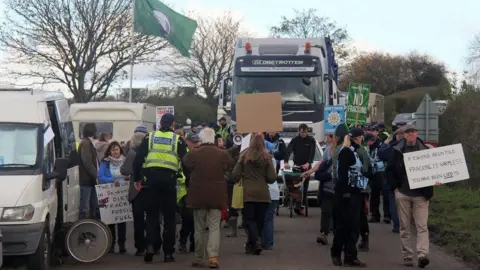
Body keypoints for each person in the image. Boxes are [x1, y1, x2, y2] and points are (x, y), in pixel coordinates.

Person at [133, 113, 190, 263]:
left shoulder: (149, 137)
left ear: (160, 123)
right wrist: (189, 182)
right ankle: (168, 253)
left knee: (151, 216)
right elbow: (186, 163)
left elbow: (138, 159)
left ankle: (151, 246)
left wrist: (137, 178)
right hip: (169, 183)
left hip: (150, 182)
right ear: (173, 125)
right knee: (169, 219)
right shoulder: (178, 140)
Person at [183, 127, 233, 268]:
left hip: (198, 195)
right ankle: (212, 258)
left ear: (201, 139)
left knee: (199, 228)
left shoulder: (194, 153)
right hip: (216, 195)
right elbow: (230, 165)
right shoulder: (222, 153)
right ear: (214, 139)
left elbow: (185, 163)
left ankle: (199, 258)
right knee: (214, 228)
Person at [387, 124, 435, 268]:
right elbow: (389, 170)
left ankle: (422, 255)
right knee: (404, 226)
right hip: (403, 193)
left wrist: (436, 179)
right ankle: (407, 256)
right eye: (408, 133)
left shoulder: (426, 150)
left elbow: (434, 168)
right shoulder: (397, 150)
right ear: (404, 135)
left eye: (413, 132)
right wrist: (395, 188)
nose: (411, 135)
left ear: (417, 133)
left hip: (421, 194)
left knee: (422, 226)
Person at [232, 134, 277, 255]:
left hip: (248, 193)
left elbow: (235, 175)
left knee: (249, 220)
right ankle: (253, 244)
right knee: (259, 221)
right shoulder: (267, 157)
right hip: (263, 194)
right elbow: (272, 178)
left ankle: (254, 242)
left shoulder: (244, 156)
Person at [330, 126, 368, 267]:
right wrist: (344, 192)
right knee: (343, 227)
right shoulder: (346, 152)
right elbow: (343, 173)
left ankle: (350, 256)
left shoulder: (356, 152)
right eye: (361, 137)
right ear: (357, 138)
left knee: (354, 227)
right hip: (345, 195)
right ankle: (336, 253)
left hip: (356, 193)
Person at [120, 131, 154, 256]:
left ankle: (140, 247)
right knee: (152, 218)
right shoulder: (151, 152)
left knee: (138, 219)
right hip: (150, 187)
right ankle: (152, 243)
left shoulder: (132, 152)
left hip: (136, 189)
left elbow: (125, 170)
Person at [303, 134, 336, 245]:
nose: (326, 139)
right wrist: (309, 172)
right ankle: (324, 233)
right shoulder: (327, 150)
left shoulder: (346, 151)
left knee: (338, 213)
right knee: (326, 211)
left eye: (329, 137)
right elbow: (321, 163)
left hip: (340, 189)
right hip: (327, 187)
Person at [98, 141, 128, 254]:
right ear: (109, 151)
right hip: (109, 193)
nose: (115, 151)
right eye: (112, 150)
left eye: (117, 149)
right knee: (110, 221)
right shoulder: (105, 162)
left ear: (120, 150)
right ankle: (111, 244)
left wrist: (127, 178)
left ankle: (122, 245)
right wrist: (112, 181)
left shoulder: (125, 161)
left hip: (121, 194)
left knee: (122, 221)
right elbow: (100, 177)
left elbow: (129, 174)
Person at [283, 123, 316, 215]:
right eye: (301, 132)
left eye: (304, 132)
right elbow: (288, 150)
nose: (303, 134)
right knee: (295, 186)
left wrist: (308, 163)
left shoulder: (311, 140)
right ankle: (293, 202)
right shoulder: (295, 140)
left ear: (307, 132)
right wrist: (286, 162)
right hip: (296, 166)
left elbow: (312, 152)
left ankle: (301, 205)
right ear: (298, 131)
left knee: (304, 187)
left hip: (306, 167)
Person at [378, 128, 405, 233]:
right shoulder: (412, 146)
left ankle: (397, 226)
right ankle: (405, 224)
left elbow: (381, 154)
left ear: (396, 136)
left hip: (394, 180)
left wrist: (385, 143)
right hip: (407, 181)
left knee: (394, 202)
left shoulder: (394, 147)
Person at [178, 133, 201, 254]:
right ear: (187, 142)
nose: (196, 144)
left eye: (197, 142)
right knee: (188, 218)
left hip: (196, 189)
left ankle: (193, 243)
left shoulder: (199, 154)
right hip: (185, 191)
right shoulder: (184, 154)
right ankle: (183, 241)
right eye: (194, 142)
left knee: (196, 218)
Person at [366, 129, 391, 224]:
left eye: (368, 142)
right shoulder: (369, 148)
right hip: (374, 174)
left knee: (386, 195)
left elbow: (386, 158)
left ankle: (387, 216)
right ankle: (375, 215)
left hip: (383, 173)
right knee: (374, 195)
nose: (368, 144)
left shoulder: (382, 146)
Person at [78, 123, 100, 219]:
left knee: (92, 206)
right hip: (87, 180)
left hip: (90, 180)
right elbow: (88, 163)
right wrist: (97, 176)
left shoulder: (88, 143)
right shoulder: (86, 143)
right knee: (85, 208)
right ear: (93, 131)